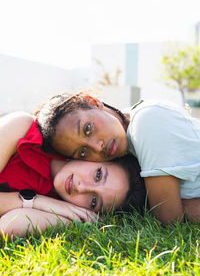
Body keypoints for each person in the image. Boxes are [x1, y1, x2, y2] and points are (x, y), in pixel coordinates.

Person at [35, 92, 200, 225]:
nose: (97, 147)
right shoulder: (127, 152)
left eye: (88, 129)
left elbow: (169, 220)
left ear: (92, 101)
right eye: (83, 152)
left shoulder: (147, 121)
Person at [0, 112, 146, 237]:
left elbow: (8, 226)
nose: (82, 188)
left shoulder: (62, 206)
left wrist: (71, 218)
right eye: (98, 175)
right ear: (99, 158)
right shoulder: (24, 129)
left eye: (93, 201)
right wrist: (37, 201)